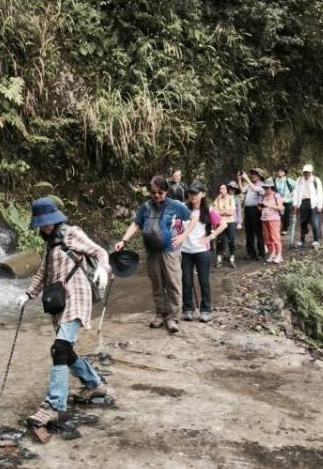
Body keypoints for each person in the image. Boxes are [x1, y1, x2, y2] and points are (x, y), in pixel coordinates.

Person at [18, 198, 110, 427]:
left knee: (58, 349)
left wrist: (102, 268)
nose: (44, 227)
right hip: (59, 303)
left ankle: (53, 406)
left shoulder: (72, 234)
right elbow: (42, 274)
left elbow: (99, 251)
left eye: (47, 222)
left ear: (55, 219)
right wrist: (28, 294)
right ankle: (95, 384)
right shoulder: (50, 244)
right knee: (66, 351)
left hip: (77, 297)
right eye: (41, 224)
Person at [115, 174, 194, 332]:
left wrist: (183, 235)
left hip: (170, 251)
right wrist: (123, 240)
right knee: (157, 284)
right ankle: (160, 314)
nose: (156, 195)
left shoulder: (174, 205)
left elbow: (193, 218)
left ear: (166, 191)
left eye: (160, 192)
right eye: (153, 192)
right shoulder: (146, 207)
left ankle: (173, 318)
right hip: (152, 251)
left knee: (173, 284)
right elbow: (136, 224)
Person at [181, 183, 226, 323]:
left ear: (203, 194)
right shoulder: (183, 208)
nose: (193, 196)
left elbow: (223, 224)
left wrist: (210, 237)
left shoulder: (208, 210)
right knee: (186, 280)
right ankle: (188, 309)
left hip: (202, 251)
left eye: (196, 193)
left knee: (203, 280)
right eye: (191, 193)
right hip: (185, 250)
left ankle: (205, 310)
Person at [292, 164, 323, 248]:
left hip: (313, 204)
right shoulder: (299, 180)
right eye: (305, 172)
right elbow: (296, 192)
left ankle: (316, 240)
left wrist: (320, 205)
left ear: (311, 172)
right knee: (303, 222)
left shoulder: (316, 180)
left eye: (308, 172)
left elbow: (320, 193)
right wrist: (295, 203)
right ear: (303, 172)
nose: (306, 174)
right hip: (303, 203)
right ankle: (302, 241)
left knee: (314, 222)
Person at [239, 168, 266, 260]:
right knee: (248, 232)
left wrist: (246, 179)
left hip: (256, 210)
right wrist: (239, 179)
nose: (253, 175)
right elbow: (242, 190)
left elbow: (255, 189)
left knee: (258, 232)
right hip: (247, 210)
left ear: (260, 176)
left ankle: (261, 253)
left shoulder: (262, 185)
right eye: (252, 174)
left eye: (255, 174)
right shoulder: (249, 184)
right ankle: (251, 253)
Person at [213, 183, 240, 267]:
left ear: (226, 190)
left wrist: (220, 212)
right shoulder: (218, 198)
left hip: (230, 222)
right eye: (220, 189)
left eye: (223, 188)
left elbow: (231, 212)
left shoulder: (231, 198)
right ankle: (219, 259)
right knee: (220, 240)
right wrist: (224, 212)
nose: (221, 190)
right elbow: (214, 211)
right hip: (220, 222)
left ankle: (232, 258)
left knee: (231, 240)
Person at [261, 178, 284, 263]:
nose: (266, 189)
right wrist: (260, 206)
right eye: (265, 188)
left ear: (272, 187)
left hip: (274, 219)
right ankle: (272, 253)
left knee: (275, 237)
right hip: (264, 218)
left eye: (268, 188)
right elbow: (261, 208)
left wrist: (269, 205)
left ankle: (279, 255)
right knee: (267, 238)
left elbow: (281, 207)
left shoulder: (276, 195)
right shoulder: (263, 196)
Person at [275, 168, 296, 233]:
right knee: (278, 214)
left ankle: (285, 229)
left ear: (284, 173)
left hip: (287, 200)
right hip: (278, 200)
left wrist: (292, 193)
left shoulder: (288, 180)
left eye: (281, 171)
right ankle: (278, 228)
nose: (279, 172)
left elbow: (297, 186)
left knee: (286, 214)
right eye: (278, 171)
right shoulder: (275, 180)